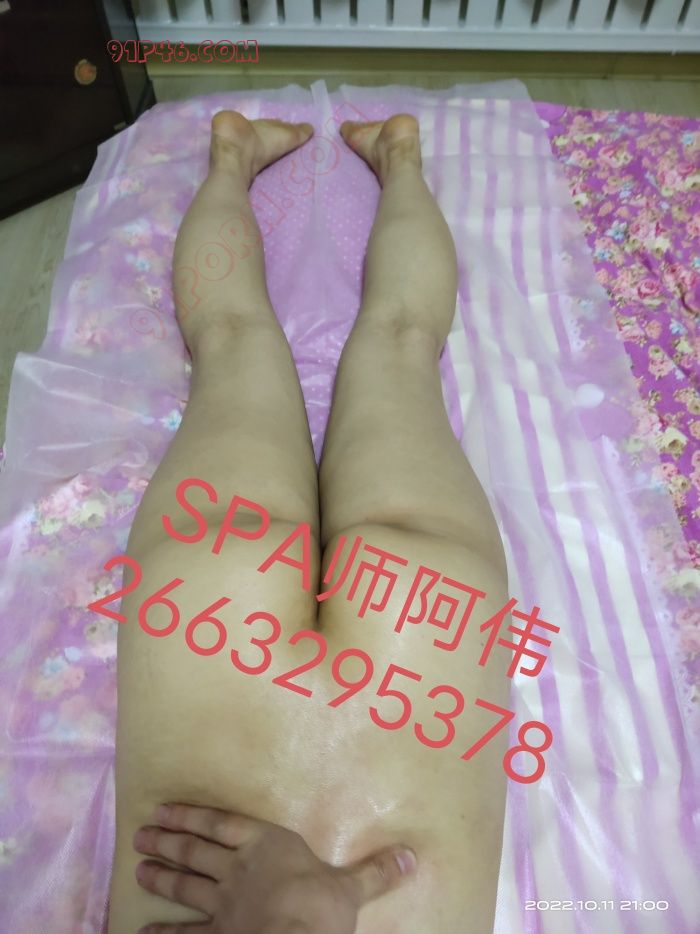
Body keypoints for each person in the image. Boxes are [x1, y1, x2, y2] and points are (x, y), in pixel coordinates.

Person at [106, 110, 511, 934]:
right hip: (217, 628)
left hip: (415, 643)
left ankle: (301, 157)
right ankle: (366, 158)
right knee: (355, 340)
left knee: (352, 341)